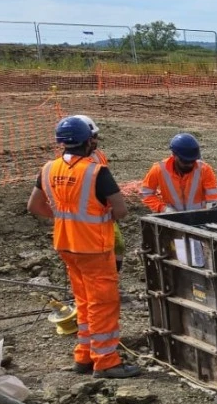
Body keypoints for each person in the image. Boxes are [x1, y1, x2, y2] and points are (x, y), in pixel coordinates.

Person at [27, 116, 141, 379]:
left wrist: (63, 217)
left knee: (84, 300)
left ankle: (84, 356)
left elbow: (34, 206)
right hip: (94, 248)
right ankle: (106, 362)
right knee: (102, 304)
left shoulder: (47, 169)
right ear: (88, 141)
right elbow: (121, 211)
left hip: (66, 245)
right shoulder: (96, 171)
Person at [70, 114, 124, 273]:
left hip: (104, 213)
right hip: (86, 217)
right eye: (93, 137)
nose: (95, 140)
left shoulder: (99, 156)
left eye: (96, 136)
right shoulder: (71, 162)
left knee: (118, 245)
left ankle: (113, 276)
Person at [140, 133, 217, 214]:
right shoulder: (159, 169)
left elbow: (213, 199)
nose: (190, 164)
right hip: (172, 219)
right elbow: (146, 194)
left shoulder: (204, 169)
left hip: (198, 218)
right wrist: (163, 209)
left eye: (192, 161)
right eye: (185, 161)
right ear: (174, 156)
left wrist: (210, 213)